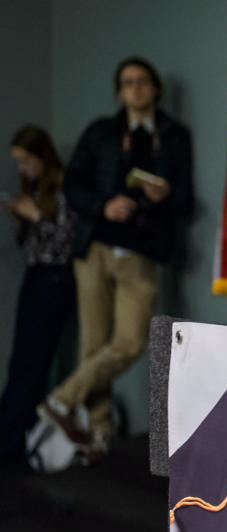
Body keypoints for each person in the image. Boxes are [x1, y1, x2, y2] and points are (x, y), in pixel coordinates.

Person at [37, 56, 193, 461]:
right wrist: (104, 205)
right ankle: (98, 436)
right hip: (95, 249)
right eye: (127, 83)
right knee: (93, 343)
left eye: (142, 81)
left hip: (140, 251)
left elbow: (186, 197)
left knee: (129, 340)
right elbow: (72, 184)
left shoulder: (174, 136)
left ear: (155, 88)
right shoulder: (101, 133)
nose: (135, 88)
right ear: (119, 92)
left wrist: (166, 194)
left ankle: (61, 400)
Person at [0, 126, 77, 462]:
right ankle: (11, 435)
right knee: (20, 360)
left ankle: (14, 442)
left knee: (35, 361)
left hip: (56, 280)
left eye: (26, 160)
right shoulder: (31, 189)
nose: (22, 168)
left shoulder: (64, 187)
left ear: (41, 156)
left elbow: (64, 244)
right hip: (34, 278)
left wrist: (37, 217)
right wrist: (21, 219)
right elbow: (29, 245)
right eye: (18, 161)